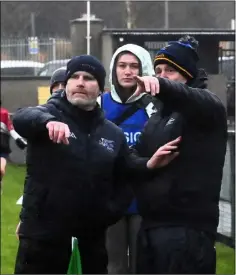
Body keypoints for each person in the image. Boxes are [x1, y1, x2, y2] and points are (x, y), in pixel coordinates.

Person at [13, 54, 179, 274]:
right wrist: (47, 122)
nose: (81, 82)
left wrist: (149, 165)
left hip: (91, 239)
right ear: (66, 85)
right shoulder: (48, 114)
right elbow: (22, 118)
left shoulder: (112, 133)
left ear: (100, 89)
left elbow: (127, 171)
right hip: (42, 237)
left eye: (89, 78)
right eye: (75, 77)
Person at [131, 35, 228, 274]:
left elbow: (189, 97)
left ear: (188, 74)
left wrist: (161, 85)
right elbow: (131, 157)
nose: (162, 75)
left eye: (170, 70)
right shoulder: (157, 118)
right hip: (151, 227)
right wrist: (148, 164)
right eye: (158, 70)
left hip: (187, 230)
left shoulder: (207, 107)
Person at [101, 44, 160, 274]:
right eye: (122, 65)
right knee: (114, 266)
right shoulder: (99, 104)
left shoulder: (155, 106)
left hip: (145, 198)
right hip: (111, 197)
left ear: (144, 68)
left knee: (142, 265)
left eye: (134, 66)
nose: (127, 71)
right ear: (114, 69)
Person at [0, 101, 27, 185]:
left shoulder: (3, 113)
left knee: (1, 170)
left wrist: (18, 139)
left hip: (2, 145)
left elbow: (10, 128)